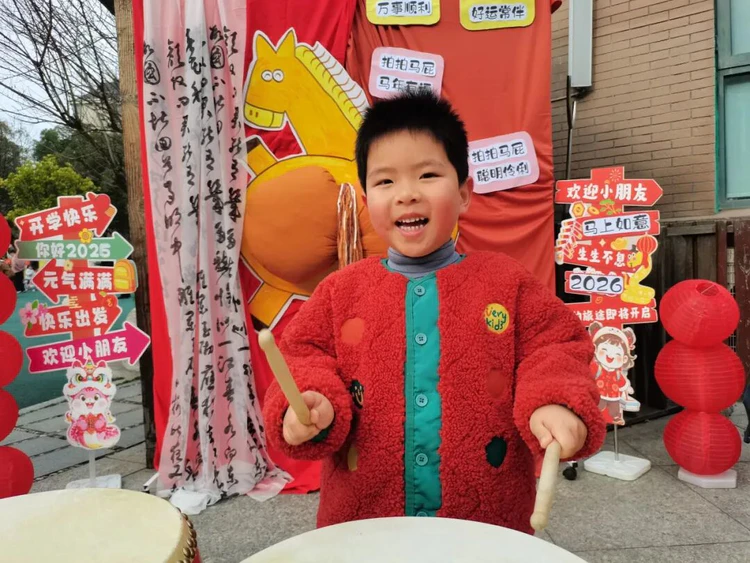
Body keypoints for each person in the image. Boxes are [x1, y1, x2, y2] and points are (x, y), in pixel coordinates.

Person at [262, 92, 606, 533]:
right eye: (385, 182)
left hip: (486, 522)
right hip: (364, 524)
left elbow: (554, 346)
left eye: (427, 175)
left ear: (463, 193)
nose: (407, 195)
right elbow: (302, 358)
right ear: (366, 199)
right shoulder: (339, 291)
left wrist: (555, 401)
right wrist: (309, 402)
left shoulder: (506, 282)